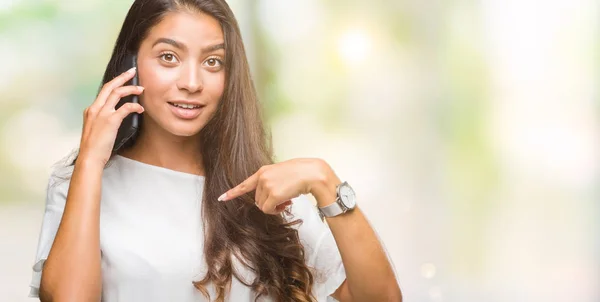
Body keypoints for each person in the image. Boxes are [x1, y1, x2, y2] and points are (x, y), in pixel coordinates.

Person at [28, 0, 402, 301]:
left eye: (212, 62)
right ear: (131, 65)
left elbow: (382, 298)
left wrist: (325, 180)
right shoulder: (80, 182)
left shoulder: (268, 191)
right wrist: (92, 160)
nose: (191, 83)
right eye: (168, 57)